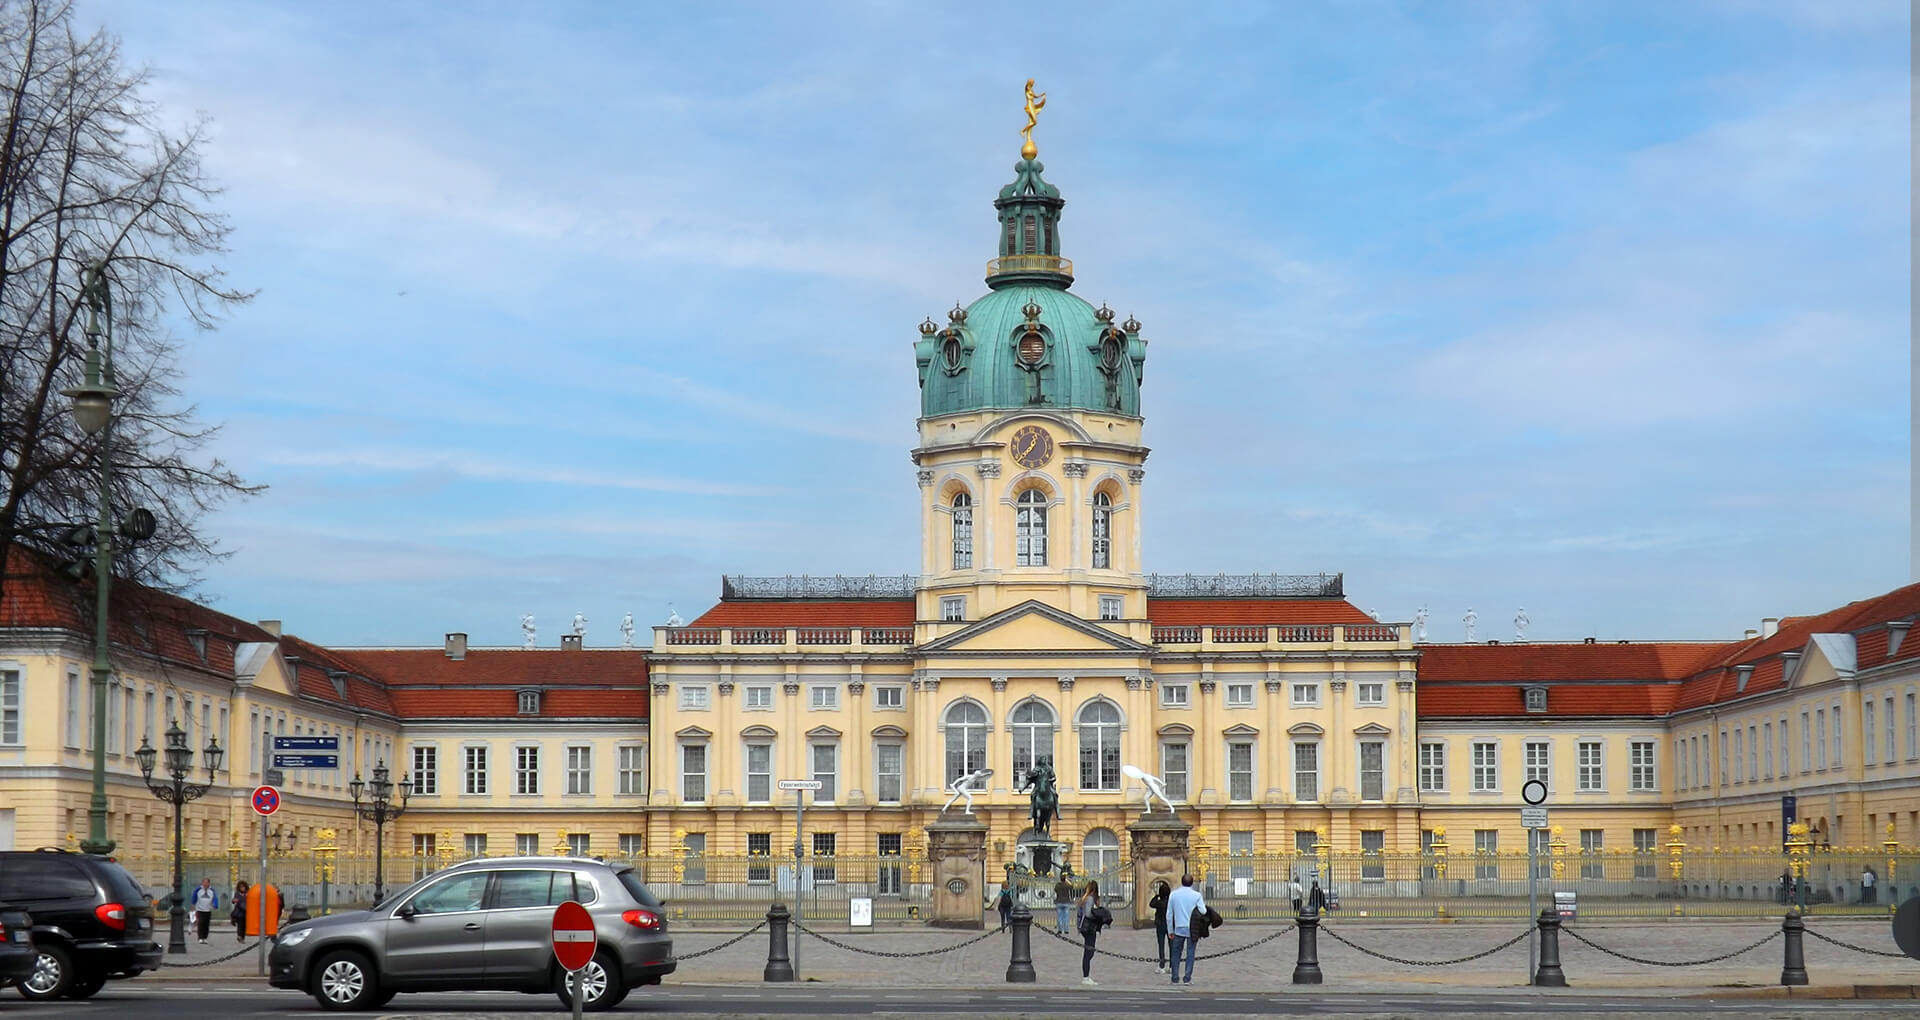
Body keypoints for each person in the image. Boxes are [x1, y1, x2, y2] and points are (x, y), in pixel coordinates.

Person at [1165, 874, 1206, 985]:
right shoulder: (1196, 895)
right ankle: (1187, 978)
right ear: (1192, 883)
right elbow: (1203, 911)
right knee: (1190, 953)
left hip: (1178, 927)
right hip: (1192, 928)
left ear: (1181, 882)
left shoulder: (1174, 895)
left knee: (1176, 953)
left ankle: (1174, 978)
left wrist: (1170, 930)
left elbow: (1169, 915)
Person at [1075, 880, 1107, 985]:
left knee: (1089, 951)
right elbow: (1088, 914)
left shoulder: (1086, 898)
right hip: (1089, 928)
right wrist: (1098, 917)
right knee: (1089, 951)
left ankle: (1086, 976)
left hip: (1086, 928)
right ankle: (1086, 977)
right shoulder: (1089, 899)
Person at [1147, 880, 1171, 974]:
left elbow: (1151, 903)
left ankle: (1162, 965)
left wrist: (1157, 895)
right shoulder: (1170, 902)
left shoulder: (1159, 902)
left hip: (1160, 925)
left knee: (1161, 945)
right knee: (1172, 946)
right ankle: (1172, 966)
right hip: (1170, 925)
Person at [191, 877, 219, 944]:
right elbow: (194, 897)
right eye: (204, 882)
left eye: (207, 882)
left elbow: (215, 898)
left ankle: (205, 937)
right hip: (200, 910)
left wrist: (215, 905)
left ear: (209, 883)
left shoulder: (212, 890)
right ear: (202, 883)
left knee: (206, 925)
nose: (205, 884)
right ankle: (200, 937)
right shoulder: (198, 890)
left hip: (208, 910)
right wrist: (193, 904)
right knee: (201, 924)